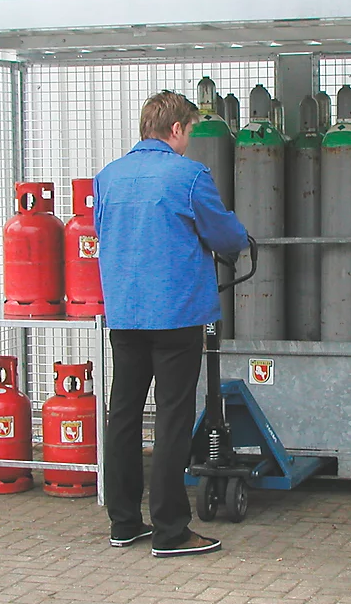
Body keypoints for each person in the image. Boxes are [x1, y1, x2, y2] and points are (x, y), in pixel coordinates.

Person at [93, 90, 249, 557]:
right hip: (177, 314)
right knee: (173, 416)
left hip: (125, 313)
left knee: (123, 414)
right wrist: (238, 236)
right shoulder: (188, 175)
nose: (190, 142)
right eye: (189, 133)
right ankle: (170, 531)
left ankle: (124, 523)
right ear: (176, 129)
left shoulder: (108, 178)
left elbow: (105, 232)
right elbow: (224, 235)